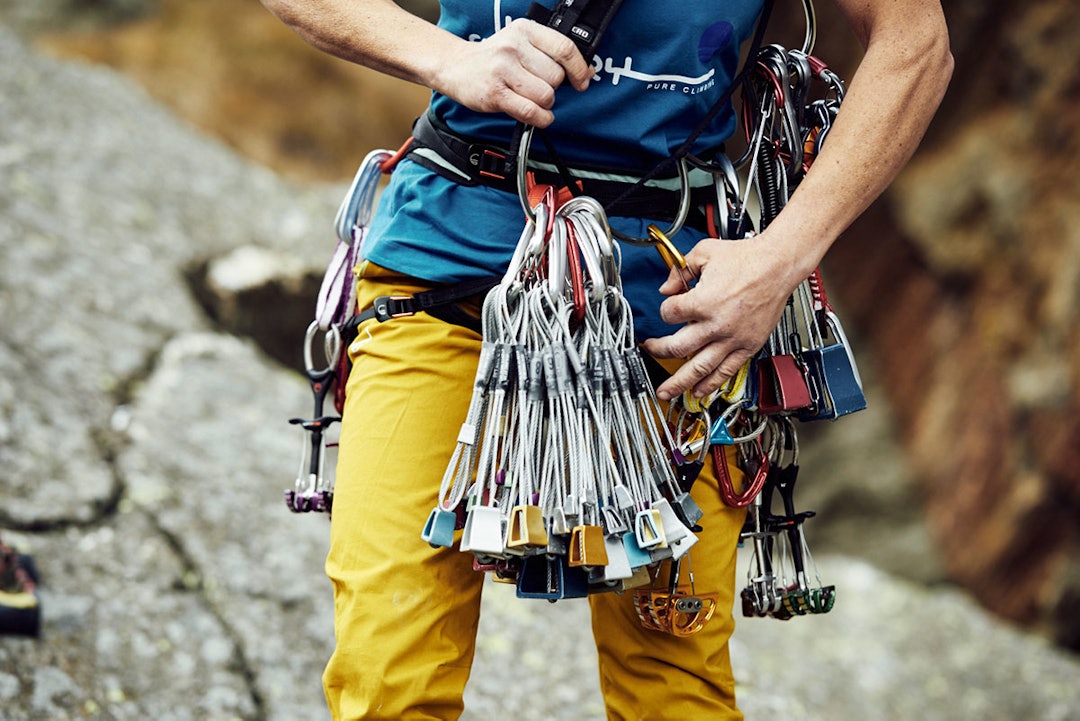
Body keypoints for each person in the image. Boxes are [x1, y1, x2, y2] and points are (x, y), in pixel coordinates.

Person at [259, 1, 952, 718]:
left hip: (672, 303)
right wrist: (447, 58)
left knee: (674, 690)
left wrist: (781, 258)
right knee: (388, 679)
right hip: (450, 270)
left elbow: (916, 42)